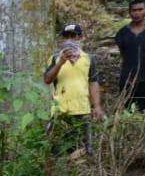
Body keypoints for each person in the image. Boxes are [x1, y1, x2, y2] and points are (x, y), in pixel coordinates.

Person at [42, 24, 103, 154]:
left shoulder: (89, 58)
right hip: (60, 111)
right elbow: (47, 79)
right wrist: (60, 63)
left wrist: (96, 106)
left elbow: (93, 83)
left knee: (84, 149)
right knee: (56, 150)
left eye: (73, 36)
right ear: (62, 40)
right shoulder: (54, 58)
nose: (70, 40)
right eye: (66, 37)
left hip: (83, 110)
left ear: (80, 38)